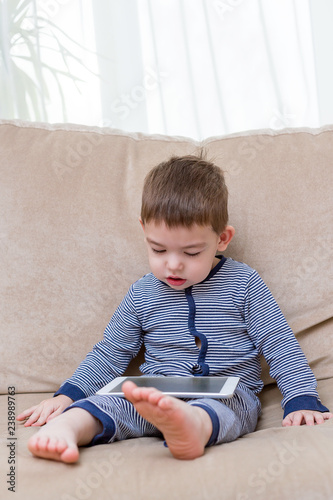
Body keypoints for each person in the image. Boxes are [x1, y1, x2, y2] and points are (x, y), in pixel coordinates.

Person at [17, 154, 332, 463]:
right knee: (108, 404)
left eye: (192, 252)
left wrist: (300, 398)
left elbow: (278, 343)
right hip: (152, 395)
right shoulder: (142, 293)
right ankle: (67, 429)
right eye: (158, 249)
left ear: (222, 238)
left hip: (227, 393)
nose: (173, 265)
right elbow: (110, 352)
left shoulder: (244, 284)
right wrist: (67, 396)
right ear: (144, 231)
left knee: (231, 411)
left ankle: (192, 426)